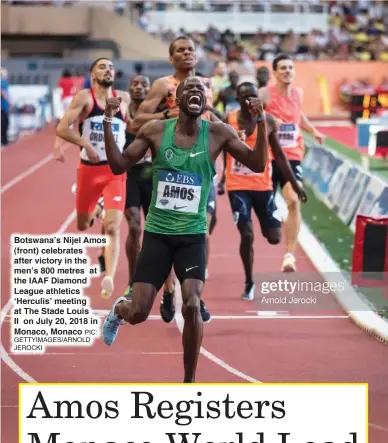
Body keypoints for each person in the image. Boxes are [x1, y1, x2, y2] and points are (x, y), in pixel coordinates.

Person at [101, 76, 268, 383]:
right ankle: (119, 311)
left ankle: (188, 381)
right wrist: (108, 121)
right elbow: (118, 165)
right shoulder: (154, 130)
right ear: (176, 101)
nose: (195, 92)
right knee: (138, 312)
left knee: (191, 303)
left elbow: (257, 164)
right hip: (158, 236)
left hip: (191, 236)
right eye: (188, 89)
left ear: (205, 102)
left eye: (200, 90)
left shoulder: (218, 132)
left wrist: (262, 121)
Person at [132, 35, 216, 324]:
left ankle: (195, 295)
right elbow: (137, 121)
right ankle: (169, 289)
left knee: (202, 230)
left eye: (191, 49)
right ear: (171, 58)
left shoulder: (208, 84)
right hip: (172, 166)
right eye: (180, 50)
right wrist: (170, 112)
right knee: (172, 229)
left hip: (202, 167)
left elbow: (215, 127)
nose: (187, 54)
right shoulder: (162, 85)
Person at [218, 82, 307, 300]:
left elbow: (279, 153)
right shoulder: (228, 121)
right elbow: (218, 149)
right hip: (238, 186)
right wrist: (220, 178)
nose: (250, 101)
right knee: (246, 234)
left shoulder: (266, 120)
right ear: (237, 99)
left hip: (263, 186)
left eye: (253, 96)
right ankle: (249, 281)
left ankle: (273, 226)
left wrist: (295, 183)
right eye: (245, 97)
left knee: (274, 237)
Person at [55, 57, 130, 299]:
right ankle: (97, 208)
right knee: (83, 224)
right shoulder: (85, 98)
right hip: (89, 171)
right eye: (102, 67)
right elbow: (63, 127)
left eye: (111, 67)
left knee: (112, 227)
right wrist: (84, 142)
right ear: (92, 74)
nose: (108, 70)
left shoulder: (124, 99)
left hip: (114, 172)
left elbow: (136, 125)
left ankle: (108, 276)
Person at [259, 54, 324, 272]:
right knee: (267, 217)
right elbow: (252, 118)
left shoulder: (298, 94)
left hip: (292, 156)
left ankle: (289, 256)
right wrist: (269, 122)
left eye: (290, 68)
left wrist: (312, 130)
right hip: (268, 156)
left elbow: (298, 114)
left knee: (294, 200)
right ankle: (271, 222)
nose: (287, 71)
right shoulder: (265, 94)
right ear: (275, 72)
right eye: (283, 68)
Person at [122, 74, 153, 298]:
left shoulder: (156, 115)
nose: (139, 87)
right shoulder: (122, 113)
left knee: (156, 232)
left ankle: (157, 278)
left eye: (144, 85)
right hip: (130, 176)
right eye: (135, 84)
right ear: (129, 88)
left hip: (152, 177)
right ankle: (133, 280)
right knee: (134, 227)